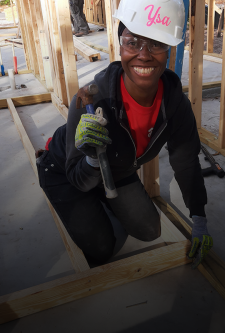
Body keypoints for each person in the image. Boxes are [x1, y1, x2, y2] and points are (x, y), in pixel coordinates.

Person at [36, 0, 213, 268]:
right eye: (133, 42)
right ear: (120, 45)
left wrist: (199, 217)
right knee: (102, 248)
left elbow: (186, 161)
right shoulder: (90, 101)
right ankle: (50, 165)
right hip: (67, 170)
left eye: (156, 43)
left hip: (117, 166)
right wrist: (92, 160)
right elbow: (78, 178)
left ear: (170, 49)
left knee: (149, 230)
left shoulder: (175, 103)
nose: (144, 54)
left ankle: (103, 196)